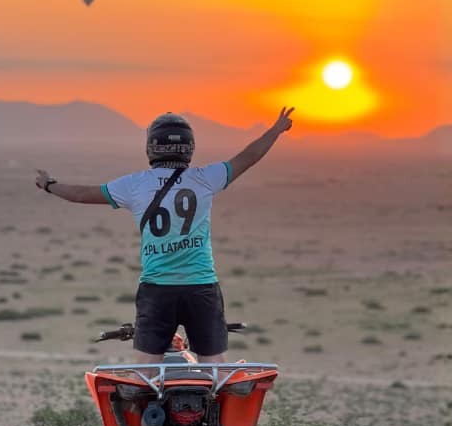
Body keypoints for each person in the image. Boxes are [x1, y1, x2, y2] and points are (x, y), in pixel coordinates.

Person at [34, 106, 294, 364]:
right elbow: (249, 157)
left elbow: (80, 194)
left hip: (157, 290)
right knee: (216, 368)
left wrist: (49, 185)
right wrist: (276, 130)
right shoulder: (205, 178)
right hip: (200, 287)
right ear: (189, 147)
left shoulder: (134, 185)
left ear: (151, 147)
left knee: (145, 373)